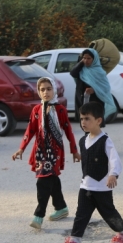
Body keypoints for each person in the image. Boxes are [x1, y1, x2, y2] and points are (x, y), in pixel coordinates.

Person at [56, 102, 123, 243]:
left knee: (109, 214)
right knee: (81, 214)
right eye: (81, 118)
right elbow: (87, 156)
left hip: (102, 187)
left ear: (98, 120)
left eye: (87, 119)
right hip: (86, 186)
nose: (83, 122)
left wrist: (113, 174)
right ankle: (75, 242)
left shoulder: (105, 141)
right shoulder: (83, 141)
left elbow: (115, 160)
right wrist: (78, 156)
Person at [12, 77, 80, 230]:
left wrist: (74, 150)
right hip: (41, 150)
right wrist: (21, 148)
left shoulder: (60, 110)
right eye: (42, 89)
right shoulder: (36, 110)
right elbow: (30, 130)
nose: (46, 92)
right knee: (51, 179)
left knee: (42, 181)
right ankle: (61, 207)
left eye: (49, 89)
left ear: (54, 90)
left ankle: (39, 215)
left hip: (54, 151)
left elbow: (68, 130)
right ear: (39, 91)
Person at [70, 49, 116, 124]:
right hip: (82, 100)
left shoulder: (99, 71)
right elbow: (73, 73)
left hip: (95, 101)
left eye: (89, 58)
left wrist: (94, 90)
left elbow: (106, 87)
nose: (86, 60)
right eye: (84, 58)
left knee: (95, 123)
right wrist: (81, 63)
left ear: (94, 59)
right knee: (84, 124)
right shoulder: (82, 70)